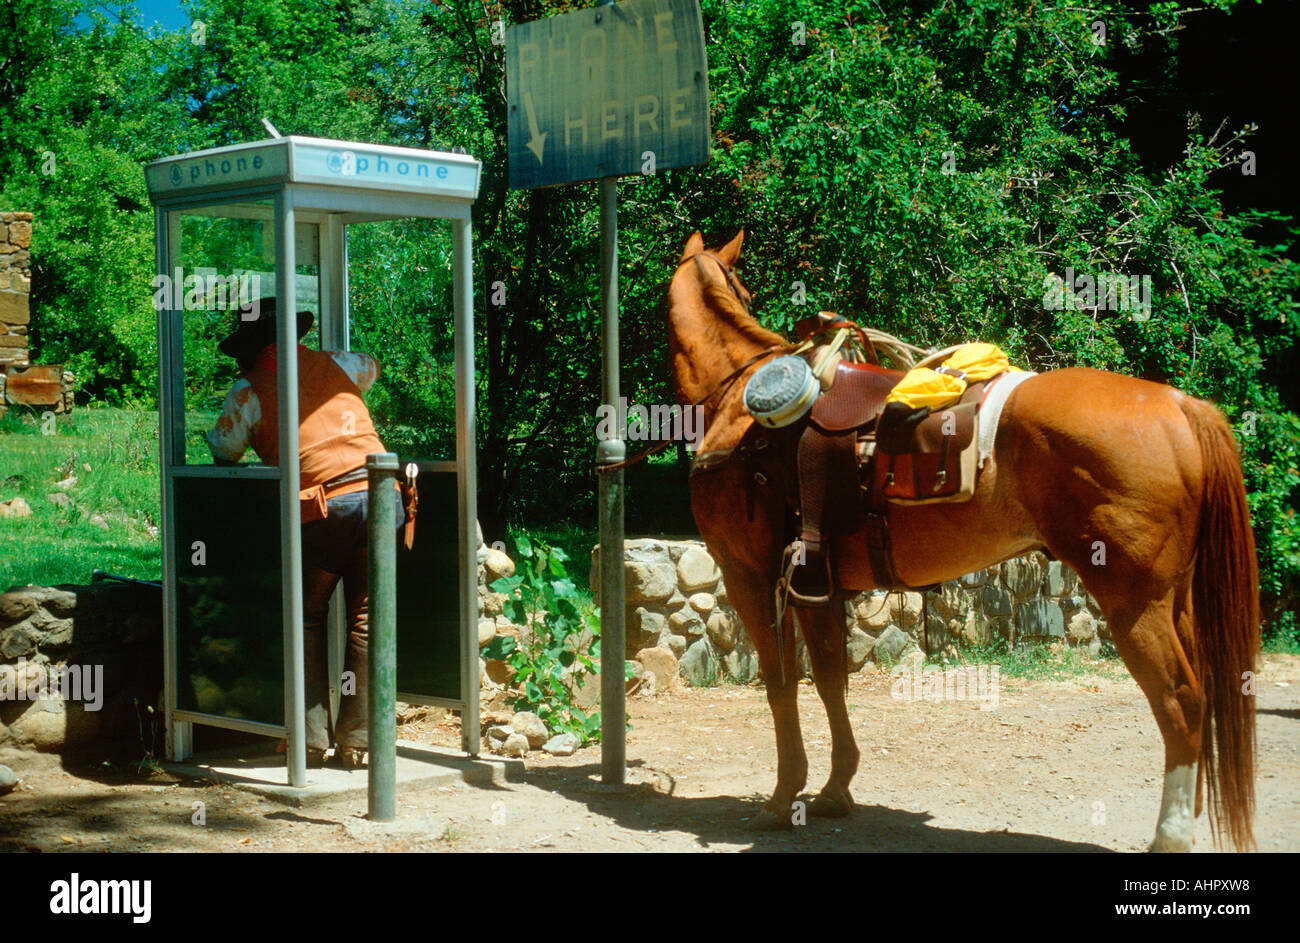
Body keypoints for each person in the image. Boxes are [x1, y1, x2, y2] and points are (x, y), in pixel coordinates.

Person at [206, 298, 404, 769]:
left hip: (325, 507)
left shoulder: (247, 390)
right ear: (293, 337)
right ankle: (359, 741)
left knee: (307, 617)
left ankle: (310, 739)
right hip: (383, 495)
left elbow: (224, 451)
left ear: (250, 349)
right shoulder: (337, 363)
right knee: (368, 619)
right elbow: (372, 366)